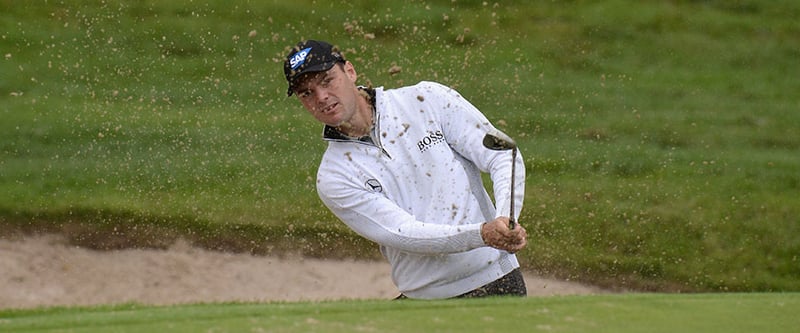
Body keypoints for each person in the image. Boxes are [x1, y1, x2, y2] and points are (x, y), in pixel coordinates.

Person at [283, 40, 528, 299]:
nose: (321, 97)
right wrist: (482, 234)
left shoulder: (426, 100)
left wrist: (505, 219)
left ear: (350, 72)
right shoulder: (334, 176)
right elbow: (404, 233)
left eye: (327, 80)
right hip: (425, 296)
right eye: (306, 93)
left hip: (497, 281)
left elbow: (502, 155)